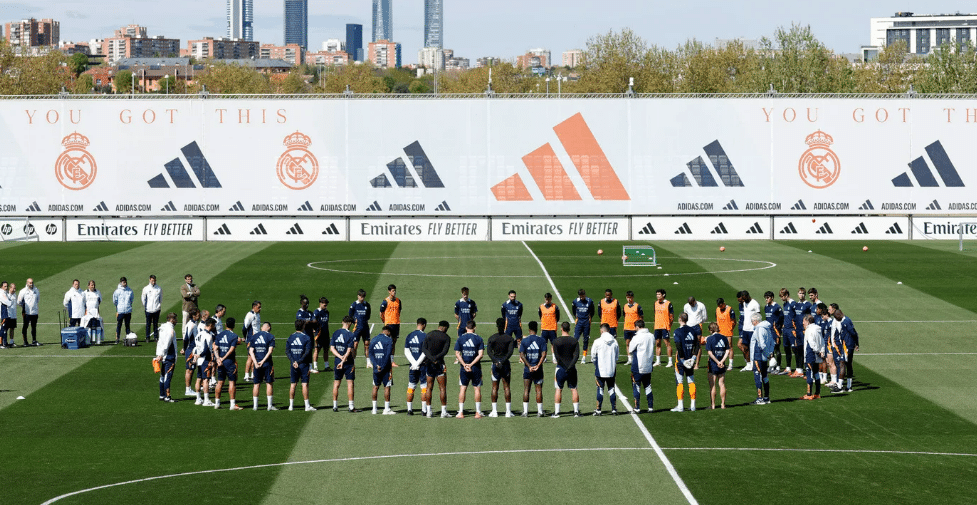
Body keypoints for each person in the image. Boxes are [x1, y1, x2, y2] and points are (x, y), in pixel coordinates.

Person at [422, 320, 452, 418]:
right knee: (442, 388)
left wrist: (431, 358)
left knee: (429, 388)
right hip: (439, 364)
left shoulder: (429, 334)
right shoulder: (446, 337)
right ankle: (443, 412)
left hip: (429, 364)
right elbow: (444, 351)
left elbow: (424, 349)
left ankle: (429, 412)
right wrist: (436, 359)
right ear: (445, 327)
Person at [454, 320, 484, 418]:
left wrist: (465, 364)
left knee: (463, 388)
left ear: (466, 328)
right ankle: (478, 412)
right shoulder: (479, 338)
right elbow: (480, 355)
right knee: (477, 388)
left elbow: (457, 354)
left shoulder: (460, 338)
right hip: (476, 367)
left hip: (464, 368)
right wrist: (471, 364)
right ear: (474, 327)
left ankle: (461, 412)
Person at [551, 321, 581, 418]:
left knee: (558, 389)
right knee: (574, 389)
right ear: (569, 329)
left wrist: (564, 366)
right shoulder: (574, 341)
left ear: (561, 328)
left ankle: (557, 413)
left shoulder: (556, 341)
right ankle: (576, 412)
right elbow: (576, 356)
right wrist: (570, 366)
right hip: (571, 368)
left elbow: (557, 356)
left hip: (560, 368)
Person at [487, 317, 515, 418]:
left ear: (496, 326)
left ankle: (494, 411)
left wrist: (496, 361)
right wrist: (502, 361)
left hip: (495, 365)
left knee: (495, 387)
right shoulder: (509, 338)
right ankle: (508, 412)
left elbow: (489, 352)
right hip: (505, 364)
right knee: (506, 387)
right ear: (505, 326)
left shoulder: (492, 338)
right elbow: (510, 352)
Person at [671, 313, 699, 412]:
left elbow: (678, 346)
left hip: (681, 361)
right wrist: (694, 358)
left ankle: (680, 406)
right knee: (691, 381)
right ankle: (693, 406)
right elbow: (697, 345)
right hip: (690, 360)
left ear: (679, 319)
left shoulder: (677, 331)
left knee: (680, 382)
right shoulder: (693, 330)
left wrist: (682, 359)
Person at [213, 317, 242, 410]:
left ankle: (217, 403)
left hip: (220, 362)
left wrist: (218, 359)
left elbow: (215, 348)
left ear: (225, 325)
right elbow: (231, 349)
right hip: (229, 362)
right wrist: (223, 358)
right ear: (234, 326)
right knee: (232, 382)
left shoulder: (219, 334)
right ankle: (232, 404)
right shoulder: (234, 336)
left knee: (220, 382)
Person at [519, 320, 547, 417]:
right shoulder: (541, 340)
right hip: (538, 370)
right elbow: (544, 354)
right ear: (537, 328)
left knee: (526, 389)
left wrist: (529, 366)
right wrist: (538, 365)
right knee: (538, 390)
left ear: (529, 329)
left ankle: (525, 412)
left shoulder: (525, 340)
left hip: (528, 369)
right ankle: (540, 412)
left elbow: (522, 354)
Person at [286, 319, 316, 412]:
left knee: (293, 384)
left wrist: (293, 361)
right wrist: (299, 362)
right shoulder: (306, 338)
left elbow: (287, 351)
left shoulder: (290, 337)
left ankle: (291, 406)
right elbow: (307, 352)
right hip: (303, 364)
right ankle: (307, 406)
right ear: (303, 326)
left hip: (293, 364)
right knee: (304, 384)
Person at [330, 316, 357, 412]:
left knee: (336, 383)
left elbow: (332, 348)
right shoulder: (350, 334)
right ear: (349, 323)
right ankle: (351, 406)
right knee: (350, 383)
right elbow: (349, 350)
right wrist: (343, 360)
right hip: (348, 362)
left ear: (342, 322)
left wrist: (340, 358)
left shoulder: (335, 332)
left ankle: (335, 406)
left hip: (337, 361)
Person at [591, 324, 619, 415]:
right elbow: (617, 356)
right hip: (611, 369)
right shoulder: (614, 342)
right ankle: (614, 409)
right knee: (611, 388)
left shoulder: (597, 341)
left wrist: (596, 364)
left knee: (600, 389)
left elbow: (593, 356)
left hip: (600, 369)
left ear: (602, 331)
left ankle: (598, 409)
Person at [628, 319, 655, 413]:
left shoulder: (637, 337)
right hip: (648, 364)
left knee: (636, 385)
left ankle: (637, 407)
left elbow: (630, 349)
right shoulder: (651, 336)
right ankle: (650, 407)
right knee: (648, 386)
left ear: (637, 327)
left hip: (638, 365)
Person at [830, 305, 859, 393]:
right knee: (849, 364)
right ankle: (849, 386)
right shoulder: (845, 321)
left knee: (842, 363)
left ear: (840, 314)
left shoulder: (846, 322)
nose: (837, 320)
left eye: (837, 318)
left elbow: (854, 333)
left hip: (848, 346)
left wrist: (856, 344)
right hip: (847, 345)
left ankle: (839, 386)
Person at [369, 325, 397, 415]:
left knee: (375, 387)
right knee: (387, 387)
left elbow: (370, 354)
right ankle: (387, 409)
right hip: (386, 369)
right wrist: (383, 366)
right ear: (388, 331)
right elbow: (388, 355)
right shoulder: (389, 340)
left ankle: (374, 409)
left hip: (376, 369)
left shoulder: (373, 339)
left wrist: (376, 365)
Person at [403, 318, 429, 416]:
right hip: (422, 366)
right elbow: (425, 352)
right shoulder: (425, 336)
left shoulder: (409, 335)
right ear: (424, 325)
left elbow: (406, 351)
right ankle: (424, 410)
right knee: (424, 387)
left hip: (412, 367)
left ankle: (409, 410)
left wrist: (413, 364)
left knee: (411, 386)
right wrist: (418, 363)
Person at [749, 313, 776, 405]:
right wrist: (770, 353)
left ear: (756, 321)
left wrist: (767, 354)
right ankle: (766, 397)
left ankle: (760, 398)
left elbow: (761, 344)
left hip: (758, 356)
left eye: (752, 321)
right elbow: (772, 342)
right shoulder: (767, 329)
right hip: (764, 357)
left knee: (758, 377)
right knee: (765, 377)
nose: (752, 323)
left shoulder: (759, 329)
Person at [249, 322, 277, 411]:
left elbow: (251, 351)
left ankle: (255, 406)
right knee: (269, 383)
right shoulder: (271, 336)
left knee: (256, 384)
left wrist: (256, 362)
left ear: (262, 327)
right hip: (267, 363)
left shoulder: (254, 336)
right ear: (268, 327)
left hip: (256, 364)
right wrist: (262, 361)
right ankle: (269, 406)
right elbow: (270, 351)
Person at [704, 322, 730, 409]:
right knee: (722, 384)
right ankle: (723, 404)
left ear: (710, 330)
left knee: (713, 385)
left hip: (713, 364)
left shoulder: (710, 339)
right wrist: (722, 361)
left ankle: (713, 405)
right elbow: (727, 351)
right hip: (722, 364)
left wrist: (717, 361)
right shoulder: (724, 338)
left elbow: (709, 352)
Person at [155, 312, 179, 403]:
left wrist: (159, 354)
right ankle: (167, 396)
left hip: (163, 355)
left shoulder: (163, 327)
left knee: (162, 376)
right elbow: (167, 344)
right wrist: (162, 354)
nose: (176, 321)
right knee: (167, 376)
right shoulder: (170, 330)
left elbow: (160, 342)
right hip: (169, 356)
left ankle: (162, 394)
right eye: (176, 319)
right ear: (172, 320)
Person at [790, 287, 813, 378]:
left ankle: (807, 370)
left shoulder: (808, 305)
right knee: (798, 349)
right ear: (797, 294)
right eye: (800, 293)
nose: (801, 295)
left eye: (803, 293)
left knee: (805, 350)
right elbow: (794, 317)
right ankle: (799, 369)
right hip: (797, 331)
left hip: (804, 331)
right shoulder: (796, 305)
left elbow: (810, 318)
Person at [192, 318, 215, 406]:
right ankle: (206, 400)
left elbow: (196, 347)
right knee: (206, 380)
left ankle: (198, 399)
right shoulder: (208, 336)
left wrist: (196, 356)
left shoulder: (199, 334)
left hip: (199, 360)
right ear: (211, 325)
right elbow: (206, 350)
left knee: (199, 378)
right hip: (205, 359)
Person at [801, 314, 825, 400]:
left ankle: (809, 394)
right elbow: (822, 341)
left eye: (803, 321)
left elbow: (811, 343)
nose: (802, 323)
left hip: (810, 355)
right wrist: (821, 351)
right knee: (816, 374)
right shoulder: (818, 329)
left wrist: (817, 351)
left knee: (809, 373)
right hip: (817, 355)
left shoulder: (809, 330)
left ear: (807, 321)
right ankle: (817, 393)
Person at [737, 291, 761, 372]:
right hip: (745, 329)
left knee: (754, 348)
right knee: (745, 347)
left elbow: (758, 317)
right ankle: (749, 364)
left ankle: (757, 364)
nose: (743, 300)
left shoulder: (755, 304)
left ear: (747, 296)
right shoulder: (744, 303)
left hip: (752, 330)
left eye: (744, 298)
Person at [348, 289, 372, 365]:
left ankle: (368, 362)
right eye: (361, 296)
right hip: (357, 329)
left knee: (367, 344)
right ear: (358, 296)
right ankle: (353, 362)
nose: (362, 298)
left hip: (365, 328)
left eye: (363, 296)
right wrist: (355, 321)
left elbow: (368, 316)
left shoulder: (367, 305)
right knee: (355, 345)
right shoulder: (354, 305)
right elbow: (350, 316)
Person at [763, 291, 784, 375]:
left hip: (775, 332)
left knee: (777, 349)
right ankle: (772, 365)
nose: (766, 299)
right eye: (765, 298)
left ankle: (778, 366)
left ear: (772, 297)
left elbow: (782, 318)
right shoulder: (766, 307)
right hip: (768, 331)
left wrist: (779, 329)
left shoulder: (777, 307)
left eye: (768, 297)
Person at [572, 289, 595, 364]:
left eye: (583, 295)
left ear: (585, 294)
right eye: (580, 296)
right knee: (575, 339)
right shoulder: (575, 301)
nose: (582, 297)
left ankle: (584, 356)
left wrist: (589, 318)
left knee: (585, 339)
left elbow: (592, 311)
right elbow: (573, 310)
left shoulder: (589, 301)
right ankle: (574, 354)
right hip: (579, 322)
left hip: (586, 323)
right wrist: (576, 317)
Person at [778, 288, 798, 376]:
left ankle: (798, 369)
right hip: (785, 329)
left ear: (786, 295)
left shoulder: (793, 303)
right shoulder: (785, 304)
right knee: (786, 349)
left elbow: (797, 316)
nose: (781, 298)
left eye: (782, 296)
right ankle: (788, 368)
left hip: (792, 329)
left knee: (795, 349)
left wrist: (795, 328)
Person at [653, 289, 674, 368]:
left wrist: (669, 326)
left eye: (659, 294)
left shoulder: (668, 304)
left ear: (663, 295)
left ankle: (670, 361)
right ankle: (658, 361)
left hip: (665, 327)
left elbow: (671, 316)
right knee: (657, 343)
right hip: (657, 326)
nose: (657, 296)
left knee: (667, 343)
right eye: (657, 294)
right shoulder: (655, 303)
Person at [180, 308, 200, 396]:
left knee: (192, 369)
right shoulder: (191, 325)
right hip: (191, 350)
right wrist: (184, 349)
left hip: (194, 350)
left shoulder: (194, 324)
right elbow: (186, 338)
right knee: (189, 370)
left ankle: (189, 389)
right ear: (194, 315)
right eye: (198, 314)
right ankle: (187, 390)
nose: (199, 316)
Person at [623, 291, 644, 366]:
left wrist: (640, 327)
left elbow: (641, 317)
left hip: (635, 329)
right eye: (628, 297)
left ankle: (637, 358)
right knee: (627, 343)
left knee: (636, 344)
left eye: (630, 297)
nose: (629, 299)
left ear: (633, 297)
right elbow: (624, 315)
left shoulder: (637, 306)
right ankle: (629, 359)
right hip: (627, 327)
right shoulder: (625, 306)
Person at [242, 301, 262, 382]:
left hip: (257, 338)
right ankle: (246, 375)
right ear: (254, 307)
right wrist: (246, 339)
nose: (260, 309)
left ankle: (253, 374)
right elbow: (244, 327)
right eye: (258, 307)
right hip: (251, 339)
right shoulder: (249, 315)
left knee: (254, 356)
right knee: (250, 357)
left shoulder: (257, 315)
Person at [379, 284, 402, 352]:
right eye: (392, 291)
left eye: (395, 291)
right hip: (389, 324)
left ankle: (391, 360)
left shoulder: (398, 301)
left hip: (396, 323)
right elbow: (381, 313)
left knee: (394, 341)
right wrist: (384, 321)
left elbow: (399, 311)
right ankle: (385, 358)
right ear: (389, 291)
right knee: (387, 341)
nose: (394, 292)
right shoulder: (385, 301)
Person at [311, 297, 332, 373]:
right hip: (319, 335)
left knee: (326, 350)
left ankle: (326, 366)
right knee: (317, 349)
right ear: (320, 303)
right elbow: (313, 322)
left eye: (326, 303)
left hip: (326, 334)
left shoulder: (327, 312)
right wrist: (314, 330)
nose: (325, 304)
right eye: (324, 303)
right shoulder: (317, 312)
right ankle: (315, 366)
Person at [17, 277, 40, 346]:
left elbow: (37, 300)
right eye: (30, 283)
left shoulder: (36, 290)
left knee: (34, 327)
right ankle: (25, 341)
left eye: (32, 282)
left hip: (34, 312)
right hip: (26, 312)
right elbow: (19, 302)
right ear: (27, 283)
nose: (31, 284)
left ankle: (34, 340)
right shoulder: (23, 291)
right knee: (25, 326)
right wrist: (24, 308)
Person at [112, 277, 134, 345]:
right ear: (121, 282)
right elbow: (114, 301)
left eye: (125, 281)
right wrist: (118, 308)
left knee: (127, 325)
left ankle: (128, 338)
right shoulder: (117, 291)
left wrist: (128, 306)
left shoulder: (129, 290)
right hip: (120, 311)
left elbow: (131, 299)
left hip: (128, 310)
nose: (124, 282)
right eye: (122, 281)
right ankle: (117, 338)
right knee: (119, 325)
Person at [715, 298, 736, 369]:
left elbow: (734, 321)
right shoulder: (717, 309)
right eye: (719, 306)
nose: (720, 307)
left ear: (724, 303)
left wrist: (730, 329)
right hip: (720, 332)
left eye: (721, 305)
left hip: (728, 332)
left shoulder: (730, 309)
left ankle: (731, 364)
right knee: (720, 348)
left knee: (729, 347)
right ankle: (721, 363)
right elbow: (717, 320)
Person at [140, 275, 162, 342]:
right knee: (148, 324)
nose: (153, 282)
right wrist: (146, 306)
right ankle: (147, 337)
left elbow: (160, 298)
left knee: (155, 324)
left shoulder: (159, 288)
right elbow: (143, 298)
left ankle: (156, 337)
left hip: (156, 309)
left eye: (154, 280)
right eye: (152, 280)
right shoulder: (146, 288)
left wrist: (158, 306)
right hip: (148, 309)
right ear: (149, 280)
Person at [82, 280, 103, 345]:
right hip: (88, 313)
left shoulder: (98, 292)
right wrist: (85, 311)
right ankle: (88, 341)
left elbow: (99, 301)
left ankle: (96, 341)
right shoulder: (85, 293)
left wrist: (97, 310)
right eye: (91, 285)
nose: (93, 286)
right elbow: (83, 303)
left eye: (93, 285)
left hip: (95, 313)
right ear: (88, 286)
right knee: (87, 327)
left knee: (96, 326)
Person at [0, 282, 13, 348]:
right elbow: (7, 302)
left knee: (5, 328)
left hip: (5, 312)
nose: (6, 287)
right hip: (3, 312)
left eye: (7, 286)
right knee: (3, 328)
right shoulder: (1, 293)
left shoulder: (4, 293)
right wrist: (10, 302)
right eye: (5, 286)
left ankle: (4, 343)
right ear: (2, 286)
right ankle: (2, 344)